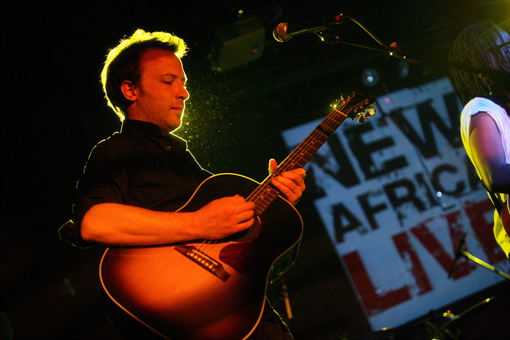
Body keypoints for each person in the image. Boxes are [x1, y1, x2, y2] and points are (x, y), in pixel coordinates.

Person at [71, 29, 306, 339]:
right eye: (168, 82)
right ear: (130, 90)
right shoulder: (115, 151)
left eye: (183, 83)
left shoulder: (185, 161)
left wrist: (279, 205)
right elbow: (93, 222)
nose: (183, 93)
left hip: (242, 318)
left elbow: (255, 260)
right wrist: (199, 223)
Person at [449, 21, 510, 258]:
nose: (509, 50)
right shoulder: (480, 109)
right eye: (502, 47)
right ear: (482, 61)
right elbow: (496, 176)